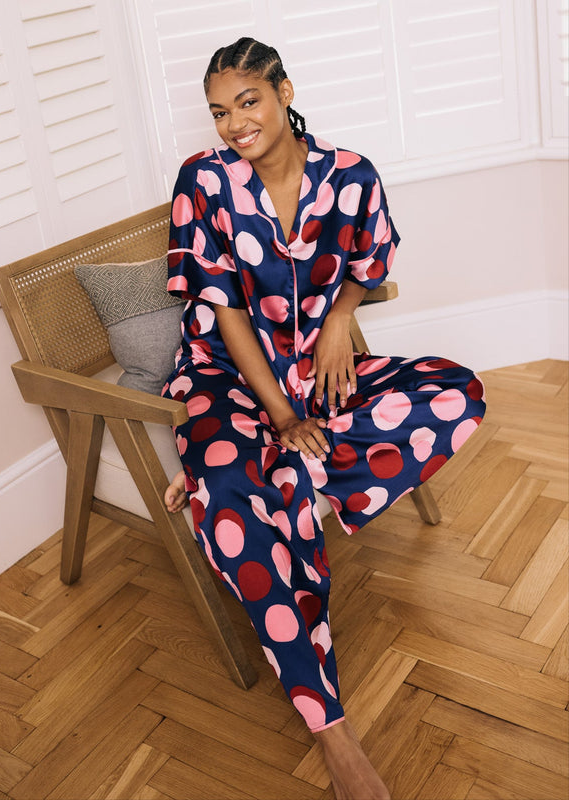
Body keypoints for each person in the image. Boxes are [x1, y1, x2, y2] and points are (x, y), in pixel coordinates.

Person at [162, 37, 486, 800]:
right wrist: (277, 414)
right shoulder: (202, 181)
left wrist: (341, 317)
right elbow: (222, 307)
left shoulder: (350, 174)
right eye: (219, 112)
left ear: (284, 90)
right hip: (228, 378)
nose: (235, 123)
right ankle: (332, 732)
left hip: (316, 374)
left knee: (455, 390)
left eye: (247, 101)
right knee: (235, 496)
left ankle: (248, 477)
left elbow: (371, 262)